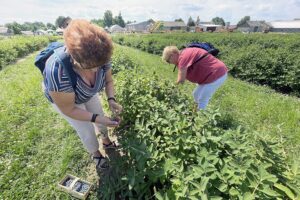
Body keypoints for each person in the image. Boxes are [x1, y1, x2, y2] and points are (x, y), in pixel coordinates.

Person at [42, 19, 123, 170]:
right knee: (85, 127)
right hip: (67, 101)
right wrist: (95, 118)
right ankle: (96, 153)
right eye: (90, 67)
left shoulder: (101, 56)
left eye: (99, 66)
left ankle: (106, 141)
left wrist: (111, 100)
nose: (96, 70)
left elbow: (109, 81)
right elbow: (70, 110)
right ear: (74, 57)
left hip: (86, 91)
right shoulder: (57, 71)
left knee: (99, 113)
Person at [162, 46, 228, 110]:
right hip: (209, 76)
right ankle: (196, 111)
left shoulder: (183, 58)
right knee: (196, 94)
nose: (169, 63)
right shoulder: (184, 54)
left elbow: (181, 80)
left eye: (168, 60)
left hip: (217, 73)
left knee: (202, 98)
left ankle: (200, 118)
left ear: (173, 54)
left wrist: (170, 91)